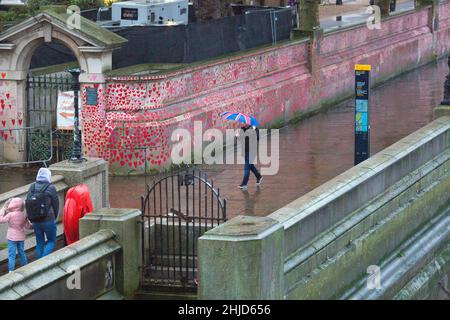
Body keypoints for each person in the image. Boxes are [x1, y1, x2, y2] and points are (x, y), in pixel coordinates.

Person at [26, 168, 59, 258]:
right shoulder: (51, 188)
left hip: (35, 220)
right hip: (48, 220)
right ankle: (43, 262)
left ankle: (37, 264)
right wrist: (54, 217)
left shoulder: (32, 187)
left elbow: (28, 203)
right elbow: (56, 204)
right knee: (51, 241)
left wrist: (30, 218)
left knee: (39, 243)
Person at [0, 198, 32, 272]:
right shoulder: (23, 215)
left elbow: (1, 220)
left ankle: (11, 270)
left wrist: (3, 210)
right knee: (22, 253)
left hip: (11, 237)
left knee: (12, 255)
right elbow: (28, 226)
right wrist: (32, 225)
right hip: (21, 237)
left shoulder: (10, 214)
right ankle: (25, 266)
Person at [237, 124, 263, 189]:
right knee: (250, 166)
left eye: (245, 123)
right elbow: (241, 139)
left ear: (249, 123)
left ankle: (244, 184)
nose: (243, 124)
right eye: (243, 122)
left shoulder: (253, 129)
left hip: (252, 152)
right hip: (245, 151)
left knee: (246, 167)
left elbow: (258, 137)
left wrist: (255, 130)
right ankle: (258, 176)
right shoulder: (242, 129)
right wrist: (237, 136)